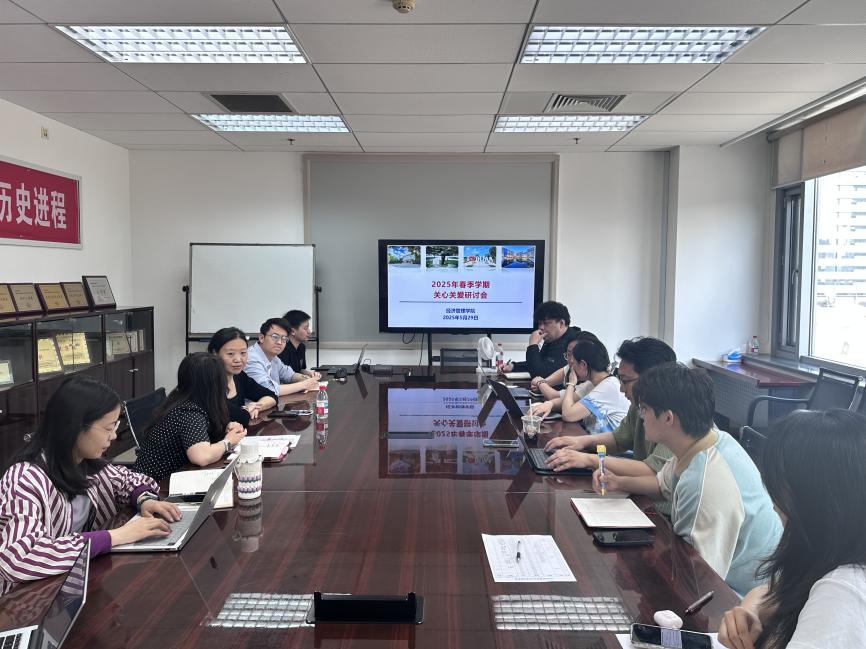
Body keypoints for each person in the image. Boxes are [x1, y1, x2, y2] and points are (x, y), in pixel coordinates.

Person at [592, 362, 781, 596]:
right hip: (716, 578)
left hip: (741, 597)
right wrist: (619, 482)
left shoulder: (706, 481)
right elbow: (663, 484)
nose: (641, 417)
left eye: (644, 409)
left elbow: (699, 580)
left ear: (668, 418)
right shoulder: (705, 442)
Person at [0, 375, 182, 588]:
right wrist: (113, 537)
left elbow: (127, 480)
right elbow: (19, 557)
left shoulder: (87, 463)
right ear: (76, 426)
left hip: (73, 582)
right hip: (29, 595)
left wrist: (144, 500)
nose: (114, 436)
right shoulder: (25, 479)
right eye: (108, 428)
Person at [718, 409, 866, 649]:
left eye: (780, 488)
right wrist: (752, 607)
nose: (775, 505)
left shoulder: (843, 590)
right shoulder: (836, 552)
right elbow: (778, 590)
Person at [543, 337, 677, 515]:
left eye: (625, 381)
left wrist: (589, 460)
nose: (621, 388)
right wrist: (581, 442)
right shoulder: (639, 406)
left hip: (664, 515)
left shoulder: (674, 415)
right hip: (641, 499)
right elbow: (619, 439)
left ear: (651, 378)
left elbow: (653, 472)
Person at [133, 353, 247, 482]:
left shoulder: (183, 399)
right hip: (155, 488)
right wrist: (228, 442)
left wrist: (225, 431)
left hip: (172, 480)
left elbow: (201, 438)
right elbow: (201, 457)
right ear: (213, 384)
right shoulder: (188, 411)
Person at [530, 337, 630, 432]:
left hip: (605, 444)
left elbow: (568, 415)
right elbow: (567, 400)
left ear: (583, 365)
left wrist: (571, 383)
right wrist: (550, 404)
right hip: (592, 439)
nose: (571, 368)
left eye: (573, 363)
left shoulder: (608, 387)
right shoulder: (593, 383)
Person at [208, 327, 278, 427]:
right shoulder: (208, 380)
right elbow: (237, 416)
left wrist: (257, 407)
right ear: (215, 353)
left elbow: (271, 395)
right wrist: (247, 410)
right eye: (230, 354)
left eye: (243, 353)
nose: (238, 359)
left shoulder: (239, 376)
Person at [499, 301, 580, 378]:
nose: (541, 328)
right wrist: (513, 366)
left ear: (561, 323)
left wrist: (533, 345)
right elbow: (539, 363)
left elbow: (538, 374)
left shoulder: (573, 343)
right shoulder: (552, 339)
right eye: (540, 323)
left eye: (546, 323)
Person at [245, 318, 320, 397]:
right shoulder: (250, 358)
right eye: (275, 337)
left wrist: (307, 379)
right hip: (252, 404)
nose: (279, 342)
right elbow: (268, 389)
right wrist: (304, 385)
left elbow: (290, 375)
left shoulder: (273, 357)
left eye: (284, 339)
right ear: (262, 338)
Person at [278, 309, 322, 380]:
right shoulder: (282, 349)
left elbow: (301, 370)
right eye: (305, 328)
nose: (309, 332)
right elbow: (283, 377)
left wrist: (310, 374)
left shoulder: (301, 347)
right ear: (292, 331)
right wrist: (305, 379)